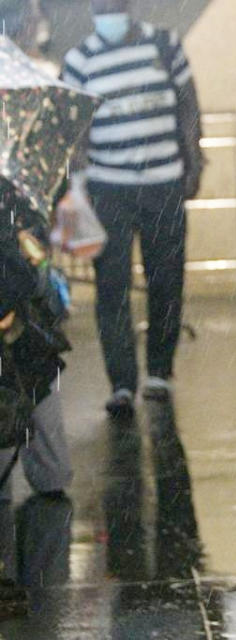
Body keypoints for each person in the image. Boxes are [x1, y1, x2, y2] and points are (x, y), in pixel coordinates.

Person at [59, 0, 205, 414]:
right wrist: (78, 185)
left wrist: (193, 162)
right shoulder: (79, 60)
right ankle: (121, 383)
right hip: (109, 189)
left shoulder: (164, 45)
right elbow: (75, 128)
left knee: (167, 279)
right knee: (112, 288)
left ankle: (159, 371)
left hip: (164, 183)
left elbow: (188, 104)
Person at [0, 185, 73, 612]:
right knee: (46, 478)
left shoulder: (10, 198)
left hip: (25, 349)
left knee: (51, 476)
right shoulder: (11, 197)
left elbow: (31, 266)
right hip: (26, 351)